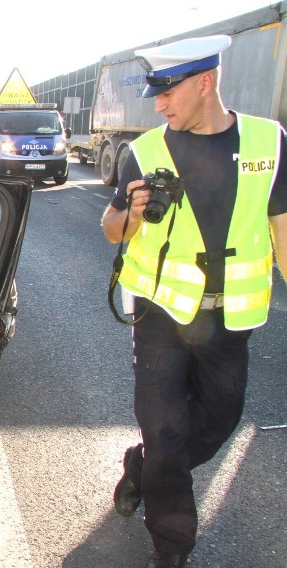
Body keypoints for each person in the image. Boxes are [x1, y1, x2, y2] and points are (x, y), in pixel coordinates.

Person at [100, 34, 287, 568]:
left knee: (215, 424)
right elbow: (110, 229)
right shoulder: (146, 150)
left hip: (230, 322)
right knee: (165, 427)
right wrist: (130, 216)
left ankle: (141, 468)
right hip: (161, 318)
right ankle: (172, 543)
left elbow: (283, 235)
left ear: (205, 83)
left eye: (167, 92)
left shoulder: (268, 144)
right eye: (154, 93)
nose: (158, 105)